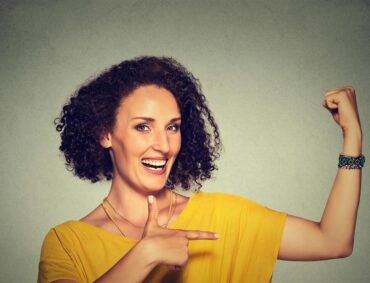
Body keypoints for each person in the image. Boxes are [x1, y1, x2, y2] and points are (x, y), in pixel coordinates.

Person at [38, 56, 364, 283]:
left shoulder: (223, 218)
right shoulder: (68, 242)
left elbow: (332, 240)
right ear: (105, 134)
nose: (163, 145)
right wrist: (145, 254)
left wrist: (353, 137)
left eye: (173, 127)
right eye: (143, 127)